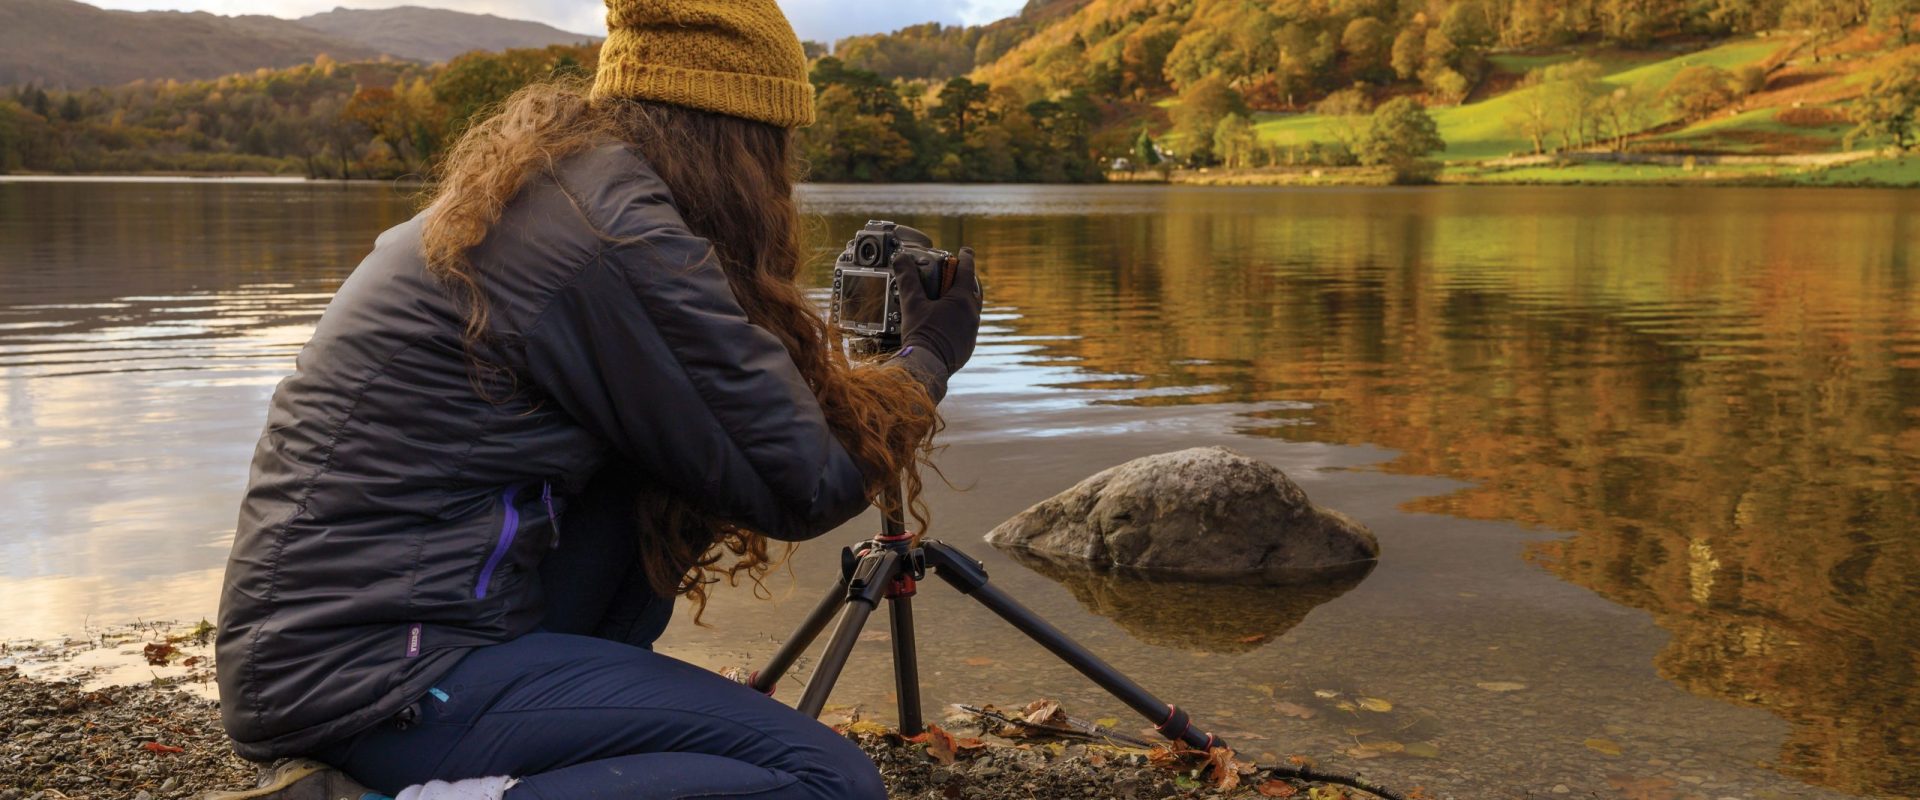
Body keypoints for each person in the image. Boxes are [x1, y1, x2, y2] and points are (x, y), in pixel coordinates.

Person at [207, 1, 983, 798]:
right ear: (736, 137)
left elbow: (734, 429)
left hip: (338, 643)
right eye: (779, 146)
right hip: (374, 674)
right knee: (826, 781)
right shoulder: (610, 234)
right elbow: (803, 481)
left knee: (647, 492)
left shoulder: (559, 192)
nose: (782, 177)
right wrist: (929, 354)